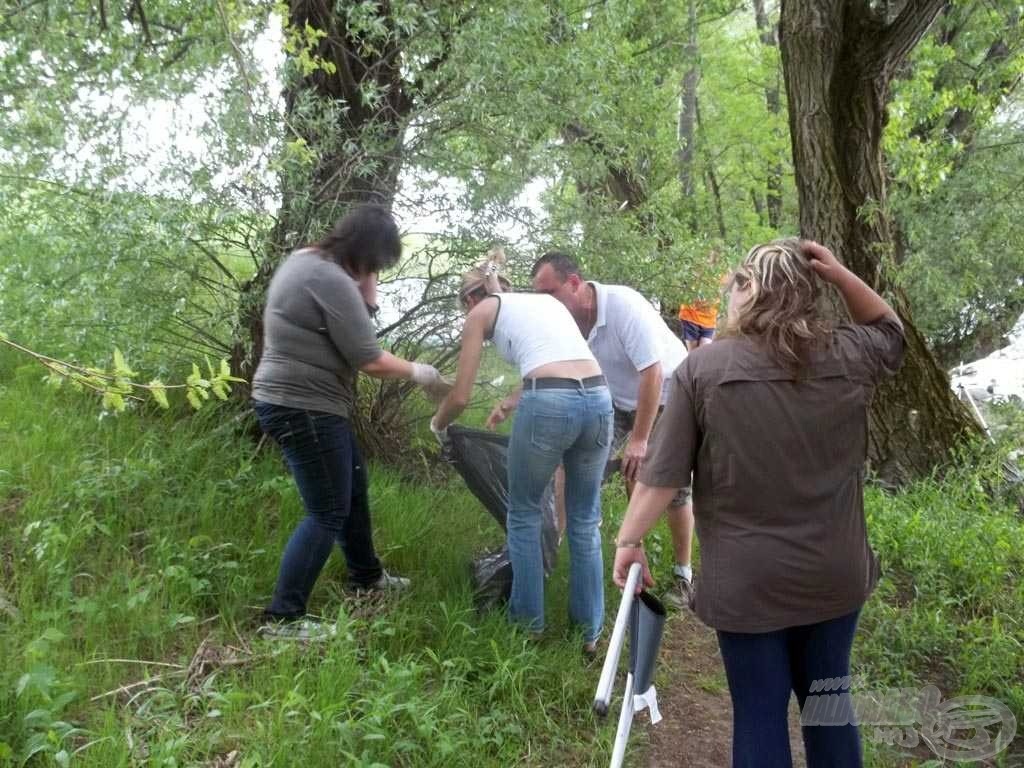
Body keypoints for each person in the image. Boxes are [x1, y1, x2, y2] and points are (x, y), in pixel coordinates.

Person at [612, 239, 905, 768]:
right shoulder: (851, 354)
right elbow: (891, 330)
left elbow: (662, 477)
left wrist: (629, 542)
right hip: (834, 576)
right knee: (829, 708)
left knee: (760, 714)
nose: (729, 295)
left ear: (751, 290)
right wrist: (839, 274)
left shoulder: (701, 372)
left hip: (748, 585)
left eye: (736, 284)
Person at [250, 205, 451, 641]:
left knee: (352, 490)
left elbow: (364, 308)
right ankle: (283, 618)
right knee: (327, 510)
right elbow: (370, 360)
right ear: (364, 253)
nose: (375, 273)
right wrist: (422, 373)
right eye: (376, 263)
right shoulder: (330, 279)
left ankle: (365, 575)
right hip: (302, 406)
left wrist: (366, 278)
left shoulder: (309, 261)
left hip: (304, 402)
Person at [431, 250, 613, 654]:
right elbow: (561, 360)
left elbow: (460, 395)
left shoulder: (478, 315)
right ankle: (589, 633)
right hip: (600, 399)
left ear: (469, 300)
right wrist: (513, 401)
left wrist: (438, 423)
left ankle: (527, 625)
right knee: (584, 519)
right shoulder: (545, 303)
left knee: (524, 513)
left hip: (549, 405)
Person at [530, 252, 694, 609]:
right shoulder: (562, 319)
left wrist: (639, 440)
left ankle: (683, 575)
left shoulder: (622, 306)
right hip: (617, 399)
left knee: (659, 481)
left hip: (670, 393)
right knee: (568, 463)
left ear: (574, 283)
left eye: (549, 293)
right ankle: (552, 547)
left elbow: (651, 372)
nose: (544, 303)